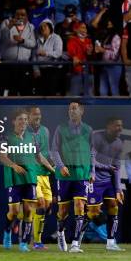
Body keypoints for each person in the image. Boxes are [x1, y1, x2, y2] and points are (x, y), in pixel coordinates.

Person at [1, 109, 53, 252]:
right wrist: (14, 165)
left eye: (25, 119)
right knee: (13, 211)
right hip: (13, 178)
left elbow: (39, 157)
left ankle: (24, 243)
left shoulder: (32, 138)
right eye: (20, 119)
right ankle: (7, 233)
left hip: (30, 177)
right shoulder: (6, 137)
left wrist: (52, 169)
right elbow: (2, 156)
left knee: (29, 211)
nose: (23, 122)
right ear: (14, 121)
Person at [50, 101, 93, 253]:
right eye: (70, 109)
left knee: (80, 206)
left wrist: (92, 171)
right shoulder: (61, 128)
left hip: (81, 173)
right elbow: (53, 150)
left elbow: (92, 152)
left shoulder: (88, 130)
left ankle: (75, 244)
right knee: (63, 211)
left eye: (74, 108)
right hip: (65, 175)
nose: (72, 111)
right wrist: (61, 166)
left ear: (82, 111)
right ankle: (61, 232)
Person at [87, 117, 125, 251]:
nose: (119, 128)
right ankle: (78, 238)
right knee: (93, 212)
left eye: (121, 126)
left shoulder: (119, 143)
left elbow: (117, 166)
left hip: (108, 181)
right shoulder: (96, 137)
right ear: (108, 126)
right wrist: (96, 171)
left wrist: (118, 188)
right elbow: (91, 158)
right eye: (116, 125)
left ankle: (111, 242)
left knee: (113, 207)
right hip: (94, 180)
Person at [26, 107, 55, 249]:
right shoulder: (25, 133)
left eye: (39, 113)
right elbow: (38, 156)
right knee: (41, 204)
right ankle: (36, 241)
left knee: (47, 206)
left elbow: (47, 152)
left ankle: (33, 238)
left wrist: (55, 163)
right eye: (34, 114)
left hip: (45, 175)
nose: (37, 116)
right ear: (28, 116)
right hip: (32, 173)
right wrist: (53, 169)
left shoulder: (45, 130)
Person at [32, 19, 63, 96]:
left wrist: (46, 53)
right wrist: (36, 69)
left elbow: (58, 53)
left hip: (52, 70)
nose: (43, 28)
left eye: (45, 26)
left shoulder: (56, 38)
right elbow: (34, 56)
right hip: (40, 70)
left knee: (51, 93)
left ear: (50, 28)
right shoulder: (38, 39)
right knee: (39, 93)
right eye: (41, 27)